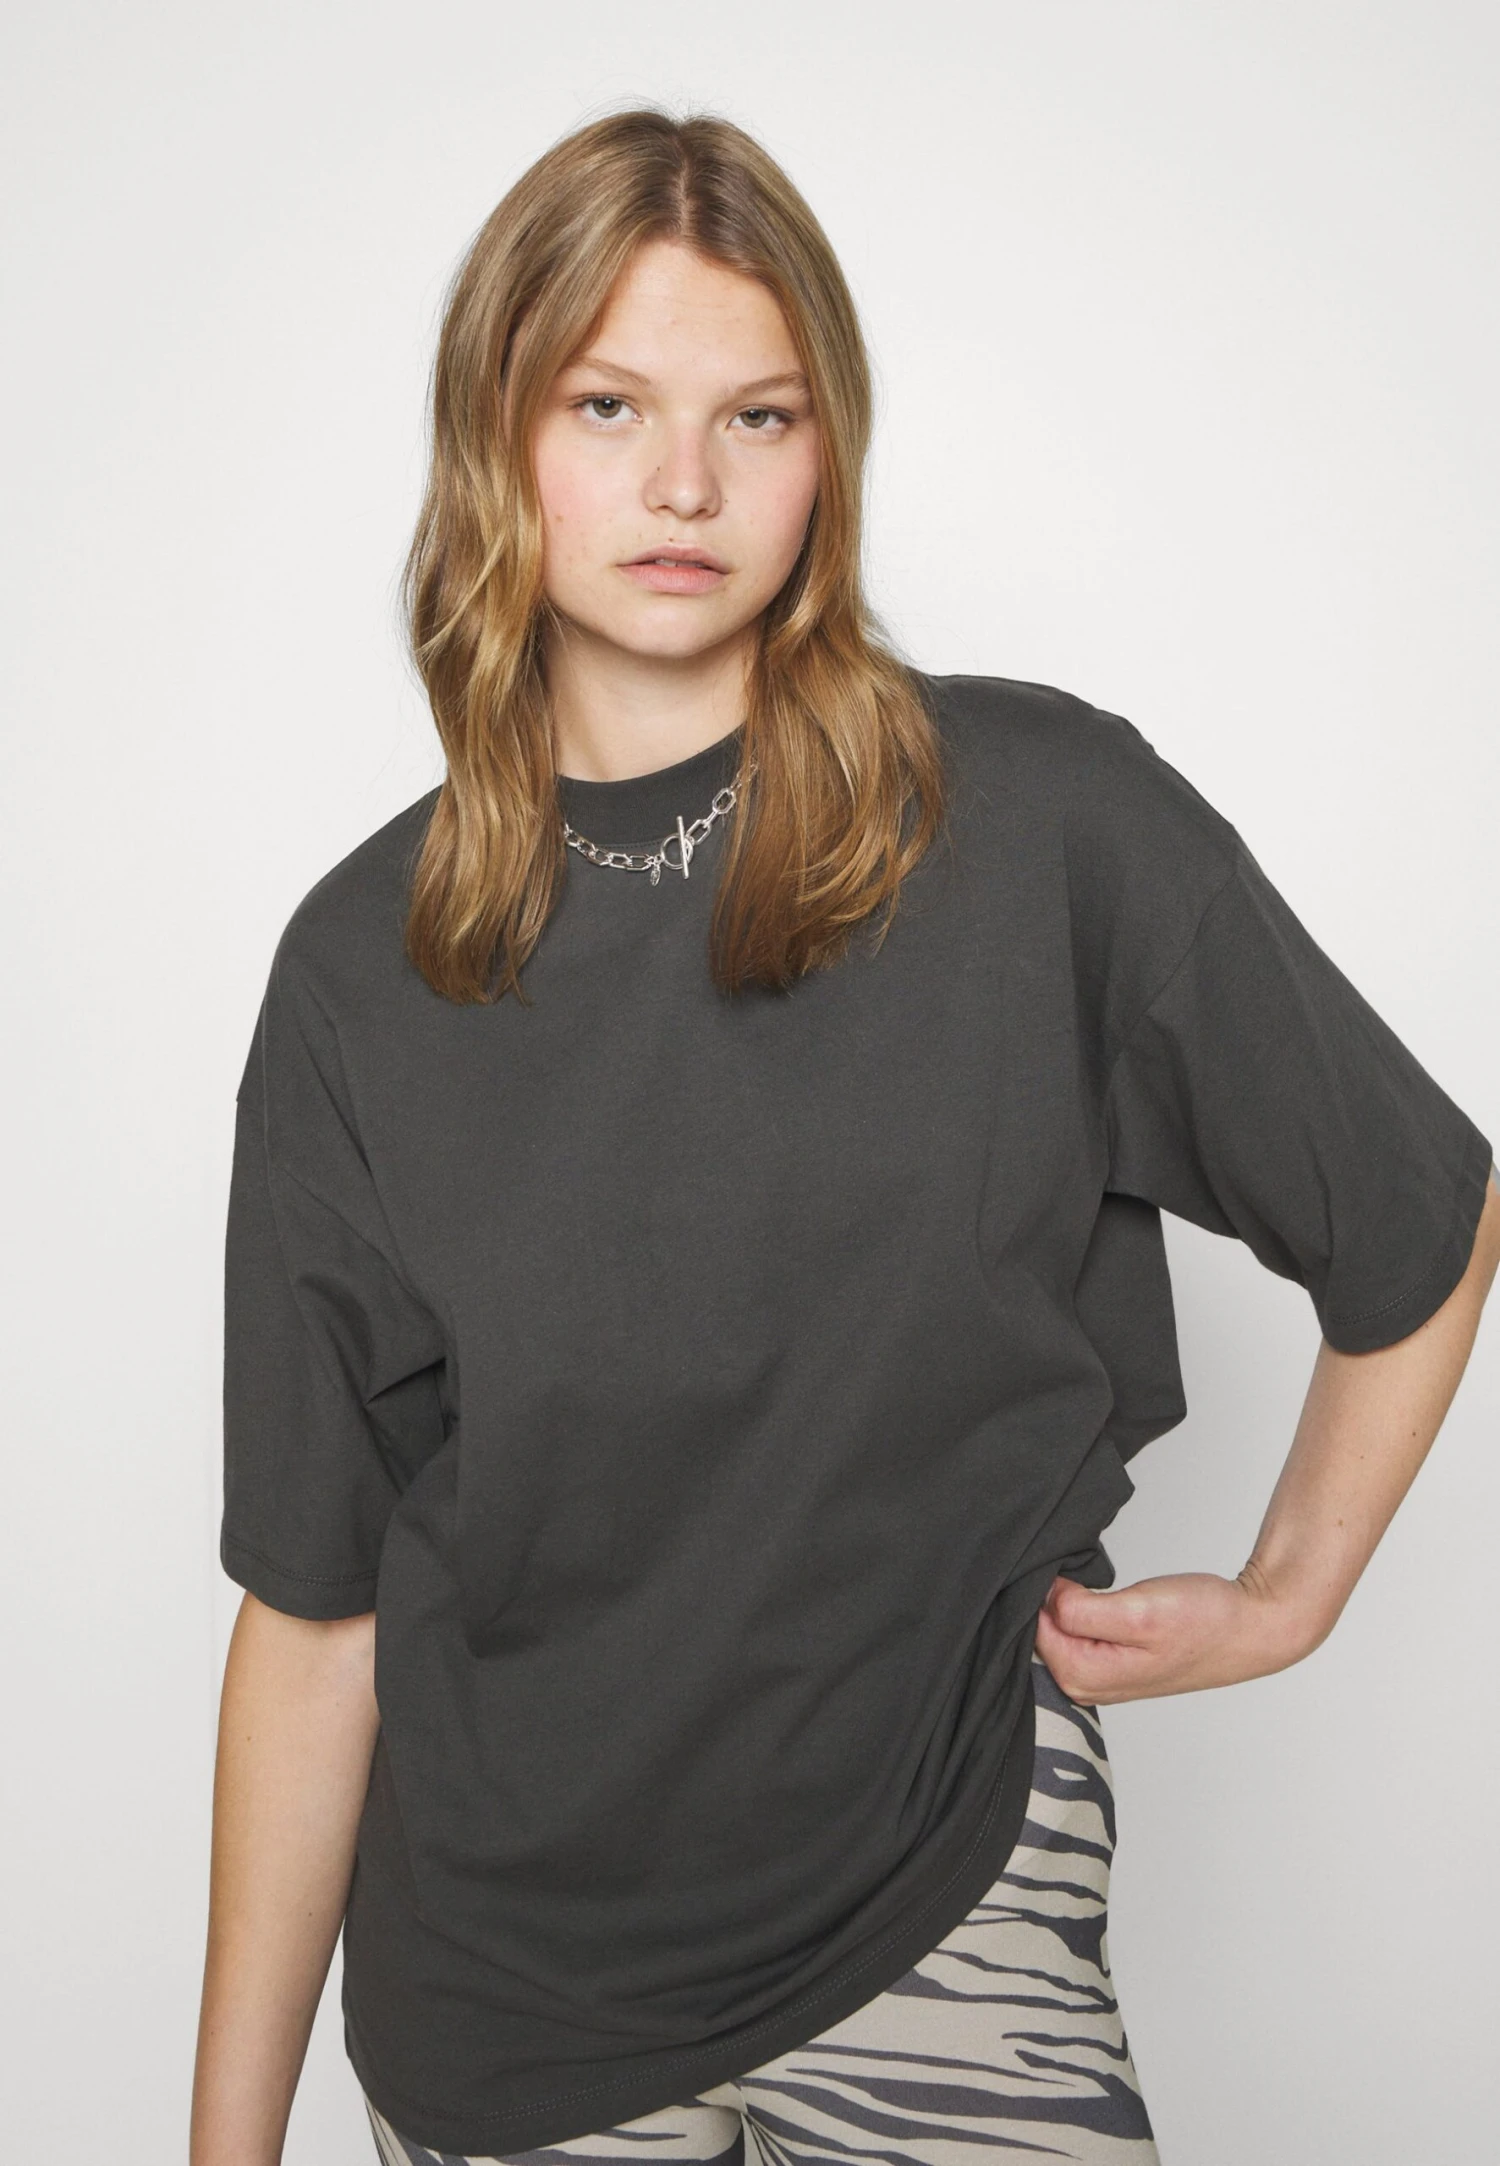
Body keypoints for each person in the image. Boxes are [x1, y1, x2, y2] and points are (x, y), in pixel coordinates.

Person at [190, 107, 1500, 2166]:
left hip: (944, 1890)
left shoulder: (1044, 820)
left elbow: (1415, 1208)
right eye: (609, 404)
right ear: (493, 437)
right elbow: (318, 1611)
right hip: (504, 1998)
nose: (685, 484)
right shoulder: (364, 970)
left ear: (831, 451)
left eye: (759, 414)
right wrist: (224, 2145)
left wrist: (1292, 1588)